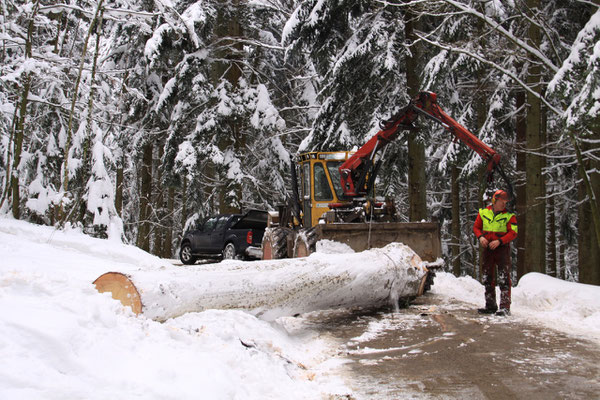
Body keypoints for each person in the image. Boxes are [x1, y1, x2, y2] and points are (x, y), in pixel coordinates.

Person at [473, 189, 518, 316]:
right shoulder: (483, 213)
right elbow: (476, 227)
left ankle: (505, 307)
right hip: (487, 249)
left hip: (502, 249)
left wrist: (500, 241)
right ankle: (490, 305)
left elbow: (513, 232)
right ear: (494, 201)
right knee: (487, 277)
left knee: (504, 277)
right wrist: (481, 237)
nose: (504, 204)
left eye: (505, 202)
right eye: (501, 202)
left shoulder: (509, 216)